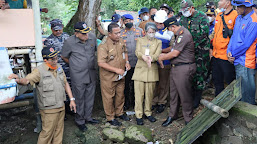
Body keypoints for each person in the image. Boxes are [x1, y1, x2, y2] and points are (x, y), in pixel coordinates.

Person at [8, 46, 76, 144]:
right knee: (47, 134)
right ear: (45, 60)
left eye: (56, 58)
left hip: (61, 106)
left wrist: (72, 99)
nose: (55, 60)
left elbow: (65, 83)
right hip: (49, 109)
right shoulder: (39, 71)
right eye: (52, 59)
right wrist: (18, 79)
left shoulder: (59, 68)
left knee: (58, 132)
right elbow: (27, 80)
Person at [61, 22, 99, 132]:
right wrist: (74, 65)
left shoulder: (92, 37)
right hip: (78, 74)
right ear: (76, 33)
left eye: (87, 33)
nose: (86, 36)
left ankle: (88, 117)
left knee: (90, 96)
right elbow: (64, 56)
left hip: (91, 72)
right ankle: (80, 120)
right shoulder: (69, 42)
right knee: (79, 97)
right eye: (83, 34)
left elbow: (97, 51)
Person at [160, 17, 196, 126]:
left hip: (184, 68)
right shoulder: (178, 34)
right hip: (176, 67)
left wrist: (162, 57)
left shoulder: (184, 34)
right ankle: (172, 115)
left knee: (184, 94)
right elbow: (172, 48)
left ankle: (188, 119)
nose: (170, 32)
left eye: (170, 29)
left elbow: (175, 53)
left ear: (173, 27)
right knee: (173, 93)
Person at [98, 23, 131, 126]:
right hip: (108, 77)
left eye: (119, 32)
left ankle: (119, 113)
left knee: (120, 95)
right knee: (108, 97)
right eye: (116, 33)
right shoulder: (103, 45)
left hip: (121, 75)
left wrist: (127, 62)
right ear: (109, 34)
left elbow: (125, 51)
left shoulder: (120, 40)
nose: (119, 35)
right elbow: (101, 63)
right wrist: (116, 70)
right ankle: (110, 117)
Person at [179, 0, 210, 108]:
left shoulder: (202, 17)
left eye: (186, 10)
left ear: (192, 8)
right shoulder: (183, 19)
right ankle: (190, 95)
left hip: (201, 52)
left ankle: (198, 97)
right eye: (182, 10)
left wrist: (190, 46)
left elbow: (204, 35)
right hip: (187, 53)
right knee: (189, 73)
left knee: (200, 73)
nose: (184, 12)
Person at [227, 0, 257, 105]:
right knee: (241, 91)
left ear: (246, 7)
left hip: (246, 61)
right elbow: (234, 36)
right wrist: (228, 51)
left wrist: (233, 55)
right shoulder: (239, 18)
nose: (236, 9)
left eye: (238, 7)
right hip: (237, 59)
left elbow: (246, 44)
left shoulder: (254, 21)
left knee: (247, 93)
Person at [132, 22, 162, 125]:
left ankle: (148, 113)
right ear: (145, 32)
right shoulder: (140, 40)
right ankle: (138, 115)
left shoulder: (158, 42)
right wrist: (143, 57)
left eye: (153, 32)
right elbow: (137, 52)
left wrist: (151, 58)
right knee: (139, 94)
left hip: (151, 70)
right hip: (140, 70)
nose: (151, 34)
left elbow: (157, 54)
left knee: (149, 94)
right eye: (149, 32)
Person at [44, 19, 71, 119]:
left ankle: (69, 108)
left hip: (69, 66)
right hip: (57, 67)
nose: (58, 32)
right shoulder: (49, 41)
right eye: (56, 30)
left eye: (60, 29)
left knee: (70, 87)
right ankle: (61, 111)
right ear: (51, 29)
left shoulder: (67, 36)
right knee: (59, 89)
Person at [211, 0, 237, 96]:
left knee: (230, 81)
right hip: (216, 54)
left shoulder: (235, 15)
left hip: (226, 56)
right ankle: (218, 102)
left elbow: (236, 37)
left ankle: (233, 104)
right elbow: (215, 34)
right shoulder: (219, 15)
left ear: (228, 2)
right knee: (217, 81)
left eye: (221, 0)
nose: (218, 2)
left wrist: (232, 53)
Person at [121, 14, 143, 110]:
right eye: (126, 21)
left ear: (133, 20)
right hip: (126, 63)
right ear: (123, 22)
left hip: (138, 63)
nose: (128, 22)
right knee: (126, 85)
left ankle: (135, 103)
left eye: (130, 20)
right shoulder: (121, 33)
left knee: (136, 85)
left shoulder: (140, 31)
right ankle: (126, 103)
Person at [152, 10, 172, 113]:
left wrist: (160, 51)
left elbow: (172, 48)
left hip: (166, 62)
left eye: (161, 23)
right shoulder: (152, 31)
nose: (159, 25)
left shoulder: (170, 32)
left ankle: (162, 102)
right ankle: (153, 101)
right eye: (157, 23)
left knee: (164, 83)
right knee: (154, 82)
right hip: (153, 62)